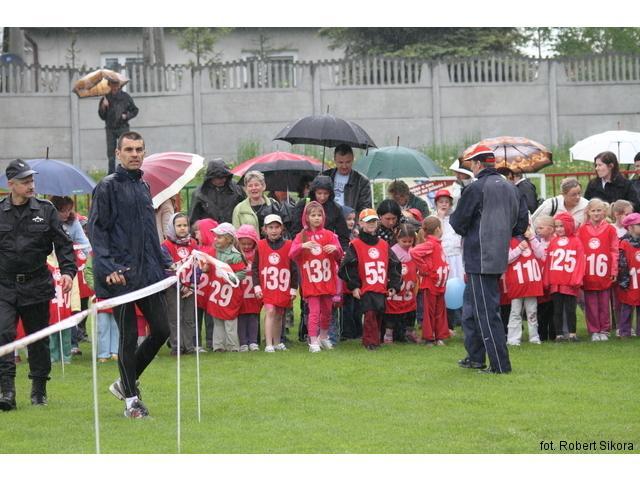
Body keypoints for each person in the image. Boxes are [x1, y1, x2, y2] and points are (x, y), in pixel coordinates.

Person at [87, 131, 172, 419]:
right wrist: (109, 268)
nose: (134, 154)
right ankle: (132, 401)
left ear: (144, 152)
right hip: (120, 276)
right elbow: (97, 231)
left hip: (148, 274)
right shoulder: (107, 186)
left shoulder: (144, 186)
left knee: (162, 330)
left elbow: (150, 232)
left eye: (139, 149)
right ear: (118, 153)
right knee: (129, 336)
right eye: (129, 149)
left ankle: (124, 384)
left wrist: (165, 261)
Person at [0, 159, 76, 411]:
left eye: (32, 180)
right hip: (4, 286)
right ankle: (6, 391)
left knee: (38, 339)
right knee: (3, 335)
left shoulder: (46, 210)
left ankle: (39, 390)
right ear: (11, 184)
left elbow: (63, 243)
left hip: (36, 284)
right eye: (25, 181)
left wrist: (68, 272)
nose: (31, 185)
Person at [450, 145, 529, 374]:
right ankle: (475, 357)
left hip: (479, 257)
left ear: (477, 164)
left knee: (486, 312)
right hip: (498, 255)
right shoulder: (512, 188)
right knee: (471, 309)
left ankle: (499, 365)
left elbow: (457, 222)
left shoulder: (475, 188)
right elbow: (521, 224)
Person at [339, 209, 402, 350]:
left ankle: (376, 340)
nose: (371, 224)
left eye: (374, 221)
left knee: (379, 312)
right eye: (368, 221)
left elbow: (395, 265)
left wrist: (394, 285)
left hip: (380, 286)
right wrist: (354, 286)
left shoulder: (383, 244)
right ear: (361, 223)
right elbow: (347, 267)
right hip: (365, 287)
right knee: (369, 313)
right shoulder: (355, 245)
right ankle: (370, 342)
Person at [290, 202, 343, 353]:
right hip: (311, 281)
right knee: (314, 312)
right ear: (306, 217)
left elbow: (340, 256)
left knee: (327, 312)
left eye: (319, 215)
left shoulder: (330, 235)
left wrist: (335, 249)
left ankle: (323, 337)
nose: (317, 218)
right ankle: (313, 340)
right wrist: (302, 246)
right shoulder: (302, 236)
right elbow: (292, 254)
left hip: (327, 280)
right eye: (313, 215)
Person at [253, 215, 298, 352]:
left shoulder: (289, 245)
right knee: (270, 311)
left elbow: (294, 269)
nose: (274, 230)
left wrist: (293, 288)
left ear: (281, 229)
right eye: (270, 227)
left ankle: (277, 342)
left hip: (282, 285)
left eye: (277, 227)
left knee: (279, 313)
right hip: (267, 286)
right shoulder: (260, 245)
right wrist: (257, 286)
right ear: (265, 229)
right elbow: (254, 268)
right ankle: (268, 343)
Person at [577, 198, 619, 341]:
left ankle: (605, 330)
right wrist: (579, 273)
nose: (596, 213)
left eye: (599, 210)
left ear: (604, 212)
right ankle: (594, 330)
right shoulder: (582, 229)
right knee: (591, 304)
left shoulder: (610, 229)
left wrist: (613, 270)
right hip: (588, 273)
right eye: (593, 210)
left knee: (604, 303)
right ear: (588, 212)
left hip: (604, 272)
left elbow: (614, 251)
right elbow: (578, 252)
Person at [544, 212, 586, 342]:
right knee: (557, 309)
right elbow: (549, 262)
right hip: (555, 282)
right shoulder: (553, 242)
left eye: (561, 226)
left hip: (569, 283)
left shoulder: (576, 241)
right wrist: (546, 279)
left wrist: (576, 279)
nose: (559, 229)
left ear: (568, 225)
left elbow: (580, 261)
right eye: (556, 226)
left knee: (570, 309)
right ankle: (559, 335)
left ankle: (572, 334)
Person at [161, 213, 197, 355]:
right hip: (173, 287)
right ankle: (177, 346)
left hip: (190, 287)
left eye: (185, 225)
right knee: (175, 317)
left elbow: (198, 265)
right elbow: (167, 268)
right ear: (172, 227)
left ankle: (189, 346)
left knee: (189, 318)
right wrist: (180, 286)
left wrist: (191, 285)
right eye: (179, 225)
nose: (182, 228)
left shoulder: (193, 243)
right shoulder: (166, 245)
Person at [411, 216, 450, 346]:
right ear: (438, 229)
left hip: (439, 283)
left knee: (440, 310)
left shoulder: (437, 244)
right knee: (429, 311)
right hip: (430, 284)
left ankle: (439, 336)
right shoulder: (430, 244)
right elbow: (414, 252)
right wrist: (425, 269)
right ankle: (429, 337)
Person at [504, 227, 544, 346]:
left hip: (531, 282)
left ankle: (534, 337)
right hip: (517, 281)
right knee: (515, 311)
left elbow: (540, 254)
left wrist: (532, 238)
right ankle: (513, 339)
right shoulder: (508, 240)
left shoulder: (532, 240)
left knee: (532, 311)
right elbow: (506, 259)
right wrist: (519, 248)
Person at [434, 189, 463, 334]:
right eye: (441, 202)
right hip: (443, 258)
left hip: (457, 257)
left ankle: (464, 322)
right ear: (436, 203)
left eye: (446, 202)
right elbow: (435, 236)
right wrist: (440, 218)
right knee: (445, 289)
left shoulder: (455, 218)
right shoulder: (433, 219)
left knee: (460, 288)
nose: (444, 204)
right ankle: (447, 325)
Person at [383, 224, 418, 344]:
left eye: (410, 241)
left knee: (411, 311)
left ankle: (409, 332)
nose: (407, 244)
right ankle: (388, 334)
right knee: (392, 312)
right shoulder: (393, 252)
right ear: (397, 238)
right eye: (404, 241)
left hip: (409, 288)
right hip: (397, 288)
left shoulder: (413, 250)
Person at [98, 78, 139, 174]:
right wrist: (103, 107)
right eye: (112, 84)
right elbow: (102, 116)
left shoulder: (125, 97)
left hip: (123, 127)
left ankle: (128, 171)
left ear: (119, 85)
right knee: (111, 154)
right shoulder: (105, 98)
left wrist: (127, 116)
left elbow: (135, 110)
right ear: (109, 85)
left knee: (126, 150)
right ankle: (111, 174)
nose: (114, 87)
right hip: (110, 129)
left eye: (116, 84)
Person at [189, 159, 246, 226]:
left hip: (233, 229)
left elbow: (245, 209)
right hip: (209, 230)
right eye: (219, 177)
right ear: (211, 177)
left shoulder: (237, 188)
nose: (223, 179)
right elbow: (193, 220)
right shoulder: (200, 193)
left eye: (225, 176)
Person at [232, 170, 286, 235]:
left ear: (263, 186)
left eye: (256, 185)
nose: (253, 188)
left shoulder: (273, 204)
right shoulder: (239, 209)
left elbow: (281, 228)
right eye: (250, 186)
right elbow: (236, 234)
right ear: (246, 189)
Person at [323, 144, 372, 214]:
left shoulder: (362, 181)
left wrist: (352, 218)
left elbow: (365, 209)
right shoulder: (325, 176)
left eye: (348, 162)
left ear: (353, 159)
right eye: (340, 162)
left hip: (351, 219)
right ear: (335, 160)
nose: (344, 166)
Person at [192, 218, 217, 351]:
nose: (196, 235)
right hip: (198, 290)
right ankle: (196, 343)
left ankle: (210, 342)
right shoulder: (196, 249)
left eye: (198, 231)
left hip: (209, 291)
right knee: (195, 318)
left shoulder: (214, 251)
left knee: (210, 319)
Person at [236, 225, 262, 352]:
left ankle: (253, 341)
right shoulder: (236, 255)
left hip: (253, 293)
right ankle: (243, 342)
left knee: (253, 317)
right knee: (241, 318)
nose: (246, 246)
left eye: (249, 244)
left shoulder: (257, 255)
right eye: (243, 244)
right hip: (241, 293)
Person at [616, 212, 640, 338]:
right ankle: (624, 331)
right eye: (638, 224)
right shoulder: (624, 243)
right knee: (627, 307)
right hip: (629, 280)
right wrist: (624, 280)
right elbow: (622, 263)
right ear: (630, 227)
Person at [533, 215, 556, 342]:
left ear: (551, 229)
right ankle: (541, 334)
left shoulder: (556, 242)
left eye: (541, 228)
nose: (538, 230)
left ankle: (554, 334)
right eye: (537, 228)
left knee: (553, 309)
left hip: (553, 281)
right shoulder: (537, 243)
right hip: (541, 281)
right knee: (541, 309)